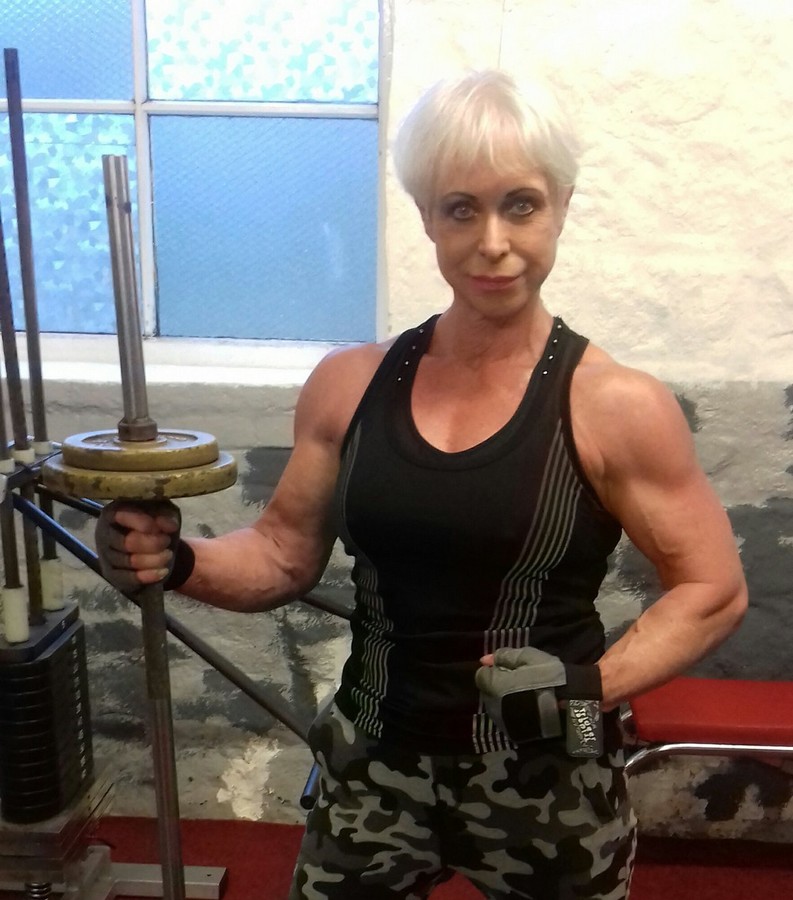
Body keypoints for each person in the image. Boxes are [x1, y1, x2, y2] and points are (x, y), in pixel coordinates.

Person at [96, 69, 748, 899]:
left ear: (561, 205)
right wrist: (176, 560)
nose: (492, 243)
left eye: (520, 205)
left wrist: (589, 689)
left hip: (557, 758)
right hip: (374, 758)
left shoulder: (617, 405)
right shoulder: (348, 385)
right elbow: (282, 553)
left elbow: (713, 590)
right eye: (460, 209)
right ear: (425, 217)